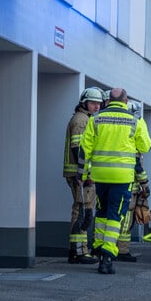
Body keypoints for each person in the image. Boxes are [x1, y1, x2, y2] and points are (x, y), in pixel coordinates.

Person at [80, 88, 151, 274]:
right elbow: (145, 146)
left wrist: (83, 174)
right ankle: (107, 255)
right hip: (122, 177)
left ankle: (98, 247)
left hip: (99, 176)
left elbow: (84, 149)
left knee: (102, 212)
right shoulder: (135, 120)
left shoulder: (95, 119)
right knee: (115, 216)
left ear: (107, 101)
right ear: (126, 101)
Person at [63, 87, 104, 264]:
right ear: (84, 103)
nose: (97, 106)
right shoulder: (82, 120)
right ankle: (79, 252)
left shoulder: (85, 118)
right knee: (82, 211)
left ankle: (77, 251)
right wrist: (85, 174)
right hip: (80, 175)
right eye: (93, 103)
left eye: (99, 104)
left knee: (82, 210)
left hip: (80, 173)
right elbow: (79, 150)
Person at [116, 101, 150, 263]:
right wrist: (145, 184)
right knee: (126, 220)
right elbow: (137, 166)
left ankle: (107, 248)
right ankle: (122, 250)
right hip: (130, 186)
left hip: (114, 183)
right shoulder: (131, 140)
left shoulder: (118, 139)